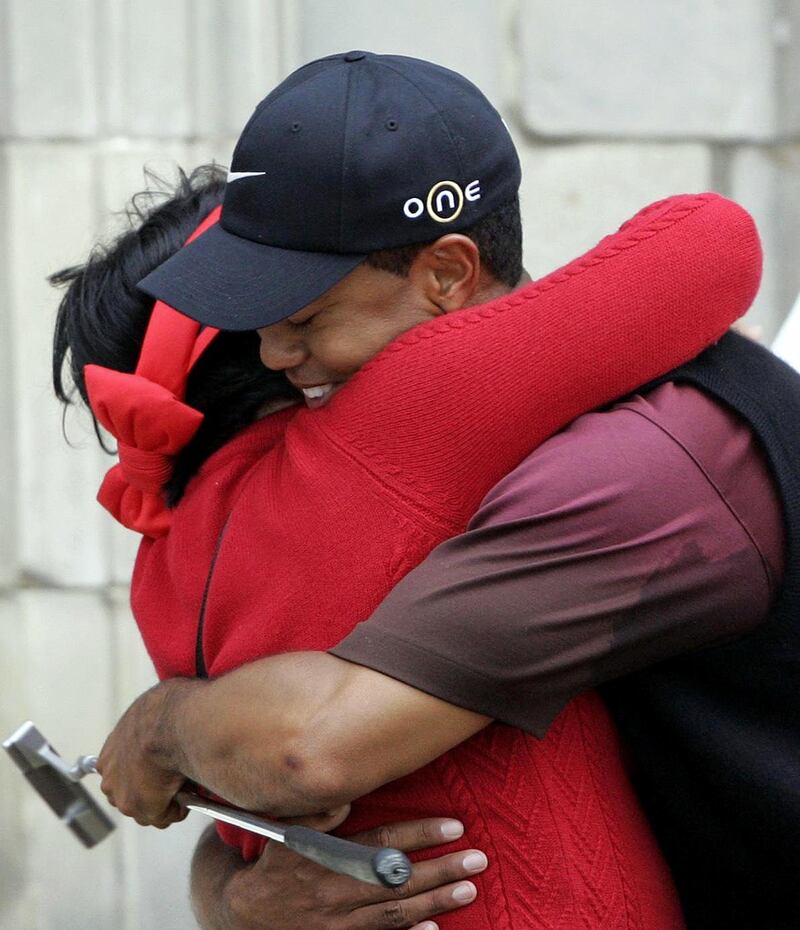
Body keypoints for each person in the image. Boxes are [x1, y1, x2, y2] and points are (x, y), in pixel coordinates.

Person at [55, 53, 763, 929]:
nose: (281, 350)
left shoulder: (158, 568)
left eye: (299, 312)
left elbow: (241, 825)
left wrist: (227, 899)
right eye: (260, 318)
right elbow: (711, 241)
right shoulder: (397, 421)